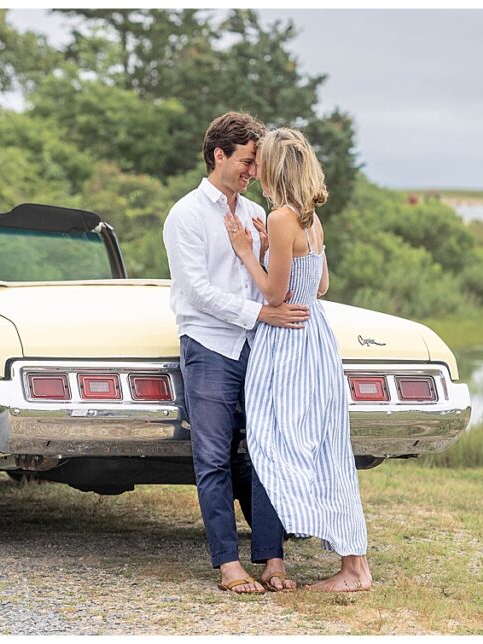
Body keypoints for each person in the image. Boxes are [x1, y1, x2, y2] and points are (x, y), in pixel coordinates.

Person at [162, 112, 310, 594]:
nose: (253, 171)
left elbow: (267, 279)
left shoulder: (254, 214)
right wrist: (260, 313)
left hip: (258, 347)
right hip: (209, 346)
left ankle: (273, 560)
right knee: (213, 457)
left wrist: (265, 256)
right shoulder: (186, 214)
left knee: (266, 453)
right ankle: (228, 565)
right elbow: (197, 291)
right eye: (246, 161)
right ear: (218, 155)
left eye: (257, 163)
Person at [222, 127, 372, 592]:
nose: (255, 169)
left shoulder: (282, 217)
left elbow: (274, 293)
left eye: (260, 162)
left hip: (288, 341)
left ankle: (344, 568)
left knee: (275, 441)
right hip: (316, 338)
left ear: (274, 168)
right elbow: (320, 285)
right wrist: (272, 249)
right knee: (326, 448)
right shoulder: (310, 219)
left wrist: (247, 252)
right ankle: (352, 565)